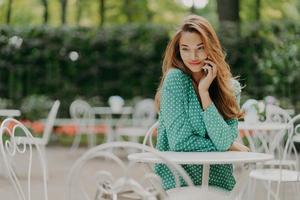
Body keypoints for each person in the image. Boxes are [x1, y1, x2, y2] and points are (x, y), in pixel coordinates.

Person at [154, 15, 249, 191]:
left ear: (211, 47)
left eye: (200, 48)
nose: (193, 56)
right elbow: (180, 143)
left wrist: (204, 93)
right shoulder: (175, 80)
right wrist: (230, 147)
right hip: (178, 180)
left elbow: (224, 140)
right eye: (185, 49)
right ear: (178, 51)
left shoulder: (231, 88)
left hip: (219, 181)